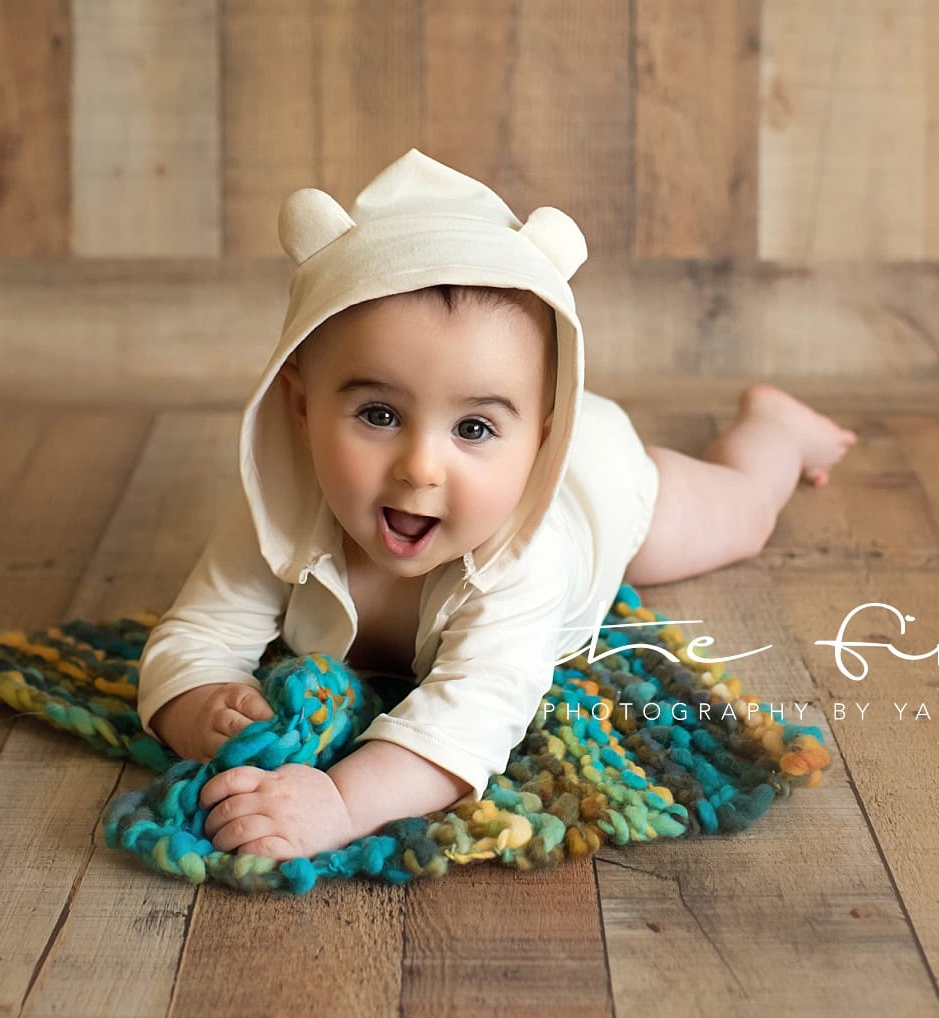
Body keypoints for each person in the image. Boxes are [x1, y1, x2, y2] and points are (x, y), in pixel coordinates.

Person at [137, 148, 857, 860]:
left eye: (473, 428)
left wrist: (343, 802)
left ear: (541, 439)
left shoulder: (526, 563)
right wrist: (199, 703)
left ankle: (776, 432)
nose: (420, 468)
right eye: (379, 415)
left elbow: (472, 717)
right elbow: (195, 636)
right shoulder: (277, 514)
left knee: (738, 516)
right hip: (519, 445)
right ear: (301, 407)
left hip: (600, 487)